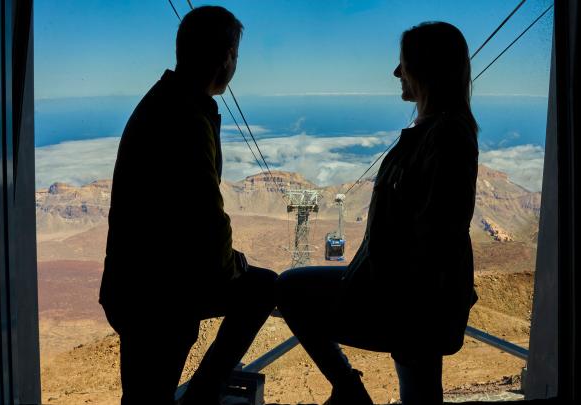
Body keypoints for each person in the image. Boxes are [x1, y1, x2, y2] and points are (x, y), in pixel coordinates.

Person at [276, 21, 479, 405]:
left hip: (407, 300)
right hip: (401, 293)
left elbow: (439, 231)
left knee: (290, 289)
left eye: (403, 62)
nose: (396, 72)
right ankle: (350, 390)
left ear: (424, 68)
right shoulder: (436, 131)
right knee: (419, 392)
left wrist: (402, 298)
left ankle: (350, 391)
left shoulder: (448, 137)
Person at [99, 6, 277, 405]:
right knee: (261, 288)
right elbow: (204, 218)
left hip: (138, 282)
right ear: (227, 57)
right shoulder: (186, 118)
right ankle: (199, 398)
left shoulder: (168, 102)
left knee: (146, 392)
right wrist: (233, 266)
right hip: (161, 291)